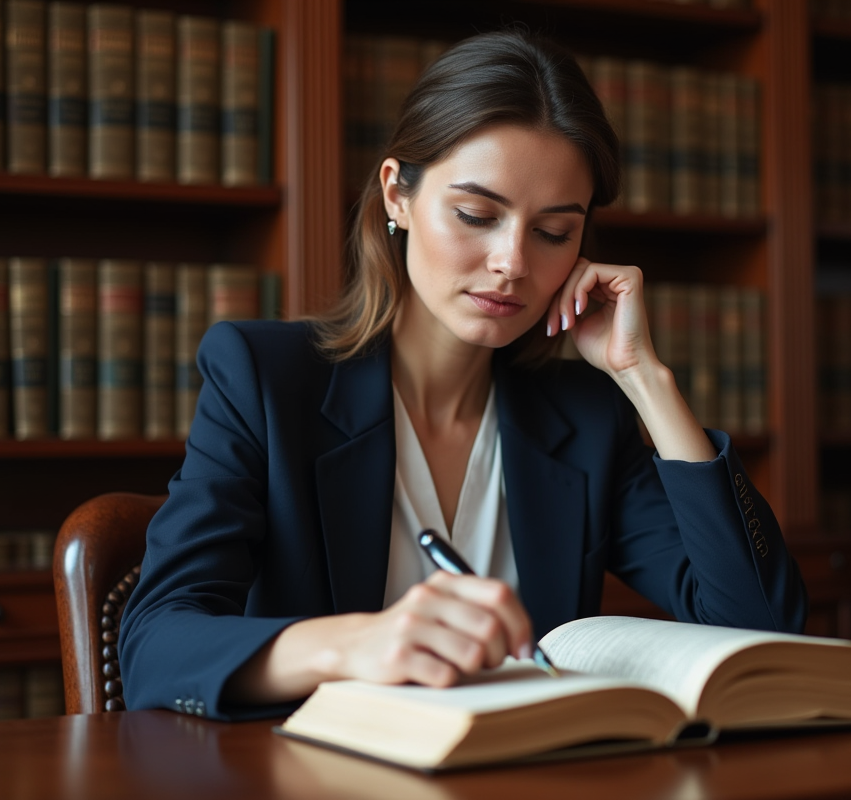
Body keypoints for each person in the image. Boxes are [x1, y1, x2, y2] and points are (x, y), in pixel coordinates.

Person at [118, 30, 806, 722]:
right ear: (397, 196)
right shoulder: (264, 379)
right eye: (476, 215)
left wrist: (645, 378)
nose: (511, 262)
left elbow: (762, 627)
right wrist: (357, 645)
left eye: (553, 232)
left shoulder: (587, 418)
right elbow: (154, 647)